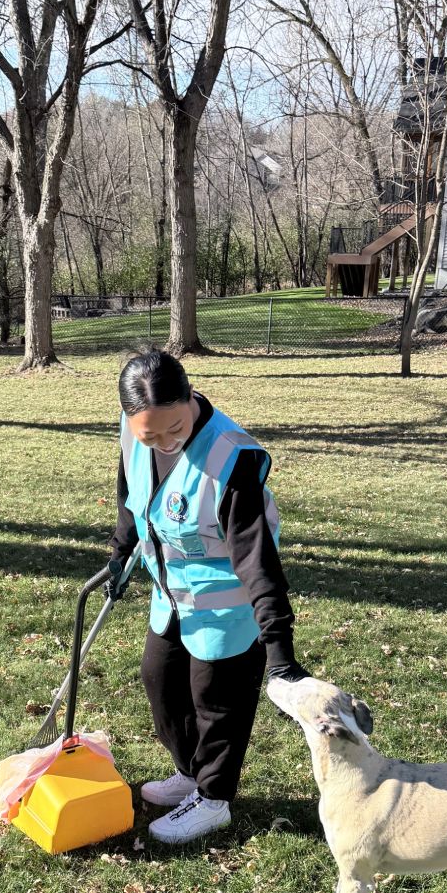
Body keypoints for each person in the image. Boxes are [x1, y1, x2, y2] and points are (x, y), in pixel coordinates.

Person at [106, 351, 309, 845]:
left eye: (175, 428)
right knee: (161, 684)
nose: (165, 443)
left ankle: (214, 799)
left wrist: (280, 655)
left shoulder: (231, 459)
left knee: (216, 702)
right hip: (172, 597)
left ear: (190, 397)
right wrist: (120, 552)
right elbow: (133, 498)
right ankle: (190, 773)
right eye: (150, 436)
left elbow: (258, 560)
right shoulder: (135, 433)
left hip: (229, 607)